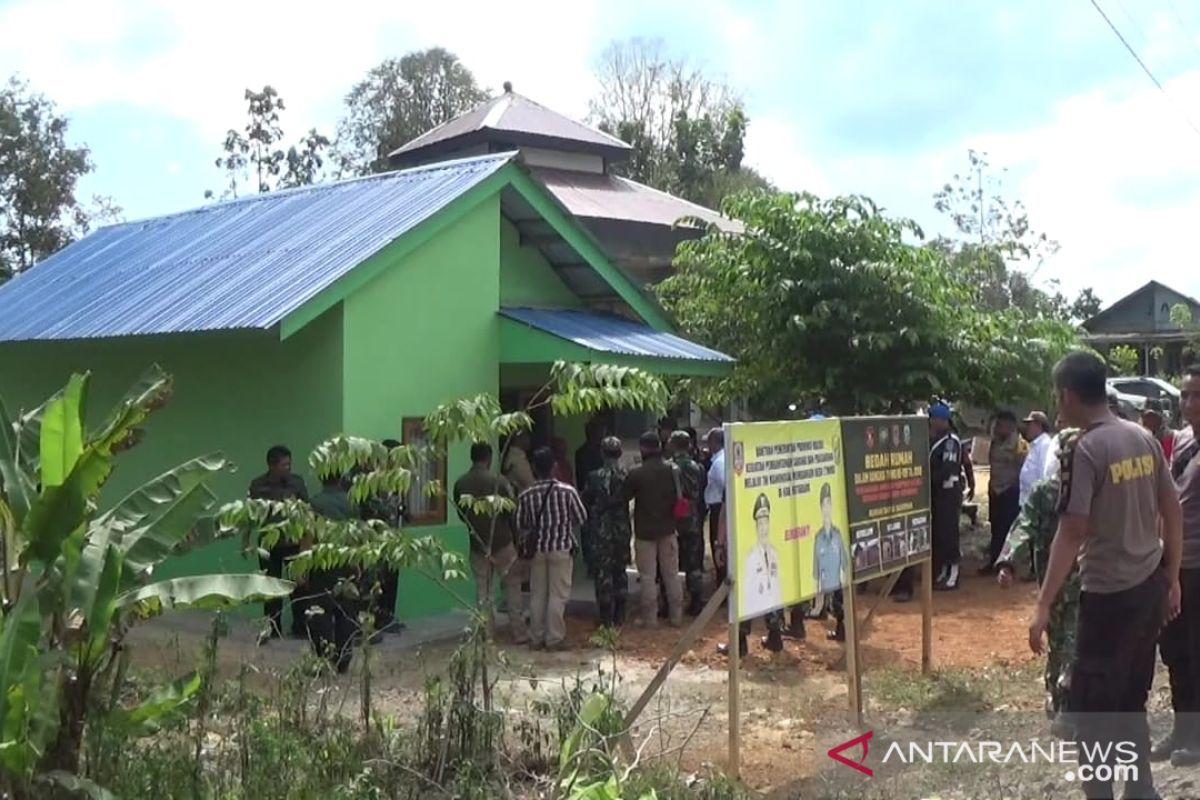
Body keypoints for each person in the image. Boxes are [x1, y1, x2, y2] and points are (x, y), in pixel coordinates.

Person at [1030, 350, 1182, 800]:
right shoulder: (1142, 437)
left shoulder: (1086, 448)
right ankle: (1141, 790)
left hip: (1108, 599)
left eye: (1058, 396)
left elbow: (1072, 530)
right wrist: (1171, 578)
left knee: (1093, 709)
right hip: (1148, 589)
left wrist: (1042, 606)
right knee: (1132, 697)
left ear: (1069, 395)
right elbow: (1171, 510)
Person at [997, 428, 1082, 724]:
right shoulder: (1045, 492)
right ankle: (1058, 694)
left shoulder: (1097, 490)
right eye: (1067, 458)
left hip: (1090, 582)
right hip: (1054, 583)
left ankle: (1071, 704)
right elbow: (1024, 525)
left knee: (1077, 642)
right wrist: (1008, 562)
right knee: (1059, 643)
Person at [1153, 364, 1200, 766]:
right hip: (1173, 562)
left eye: (1196, 395)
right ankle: (1182, 730)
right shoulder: (1182, 440)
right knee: (1174, 650)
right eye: (1184, 395)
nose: (1188, 403)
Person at [453, 442, 528, 644]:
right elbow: (512, 511)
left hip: (477, 543)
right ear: (489, 458)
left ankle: (487, 634)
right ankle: (519, 632)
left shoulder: (460, 484)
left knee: (483, 591)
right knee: (512, 586)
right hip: (502, 542)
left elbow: (462, 516)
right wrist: (517, 538)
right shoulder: (499, 482)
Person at [515, 446, 586, 651]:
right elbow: (582, 517)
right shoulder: (568, 492)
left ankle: (536, 637)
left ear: (534, 468)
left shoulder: (526, 495)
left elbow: (521, 524)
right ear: (554, 466)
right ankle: (554, 638)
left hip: (537, 550)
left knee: (537, 595)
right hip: (561, 548)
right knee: (558, 595)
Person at [247, 445, 310, 642]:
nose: (288, 468)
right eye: (284, 465)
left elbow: (306, 513)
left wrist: (305, 544)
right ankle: (273, 627)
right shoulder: (257, 486)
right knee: (271, 588)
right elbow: (250, 515)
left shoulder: (297, 483)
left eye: (289, 464)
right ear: (272, 466)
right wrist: (245, 540)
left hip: (293, 542)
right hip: (268, 544)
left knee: (297, 587)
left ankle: (300, 626)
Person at [624, 431, 684, 628]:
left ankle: (650, 619)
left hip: (645, 532)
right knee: (672, 575)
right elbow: (680, 499)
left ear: (642, 448)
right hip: (668, 529)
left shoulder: (636, 473)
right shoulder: (673, 469)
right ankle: (676, 617)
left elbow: (623, 497)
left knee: (648, 577)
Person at [305, 471, 358, 673]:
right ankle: (344, 658)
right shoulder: (351, 501)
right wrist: (358, 563)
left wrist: (303, 565)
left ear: (322, 478)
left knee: (321, 611)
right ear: (340, 478)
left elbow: (308, 536)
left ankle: (324, 657)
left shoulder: (315, 503)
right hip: (347, 561)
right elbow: (358, 534)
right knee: (346, 611)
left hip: (321, 563)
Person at [581, 436, 633, 628]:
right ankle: (620, 614)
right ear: (619, 453)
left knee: (602, 573)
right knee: (620, 570)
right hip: (621, 529)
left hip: (600, 530)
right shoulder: (627, 475)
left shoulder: (593, 476)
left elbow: (585, 501)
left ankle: (605, 618)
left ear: (602, 453)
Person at [361, 438, 406, 635]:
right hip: (376, 539)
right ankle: (374, 621)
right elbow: (373, 508)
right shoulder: (374, 480)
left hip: (394, 538)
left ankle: (388, 617)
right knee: (376, 581)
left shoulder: (396, 479)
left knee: (392, 579)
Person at [982, 410, 1027, 575]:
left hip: (1010, 490)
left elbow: (1024, 468)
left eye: (1001, 425)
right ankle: (993, 561)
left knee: (1007, 529)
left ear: (1010, 426)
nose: (998, 428)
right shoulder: (996, 442)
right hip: (995, 489)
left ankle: (1007, 564)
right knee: (995, 526)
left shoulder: (1019, 443)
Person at [669, 430, 708, 616]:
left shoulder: (670, 467)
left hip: (674, 518)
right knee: (694, 561)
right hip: (693, 517)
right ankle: (696, 601)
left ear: (674, 445)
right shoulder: (697, 467)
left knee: (671, 562)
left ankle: (671, 603)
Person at [812, 482, 850, 640]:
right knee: (835, 602)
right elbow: (815, 570)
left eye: (829, 503)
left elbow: (845, 561)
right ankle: (840, 626)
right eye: (824, 504)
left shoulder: (838, 532)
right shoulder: (818, 536)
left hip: (838, 577)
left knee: (839, 601)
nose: (827, 508)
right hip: (825, 580)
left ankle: (843, 628)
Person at [705, 428, 728, 583]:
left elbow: (725, 488)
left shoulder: (719, 463)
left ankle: (722, 582)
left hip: (719, 508)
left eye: (709, 441)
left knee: (718, 545)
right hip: (719, 506)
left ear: (715, 442)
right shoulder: (721, 459)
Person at [1020, 412, 1054, 507]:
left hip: (1035, 504)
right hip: (1028, 501)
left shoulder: (1045, 444)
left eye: (1029, 425)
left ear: (1038, 425)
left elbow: (1044, 474)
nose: (1027, 428)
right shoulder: (1036, 444)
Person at [575, 418, 606, 490]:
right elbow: (583, 479)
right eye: (601, 432)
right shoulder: (583, 453)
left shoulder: (601, 449)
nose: (603, 435)